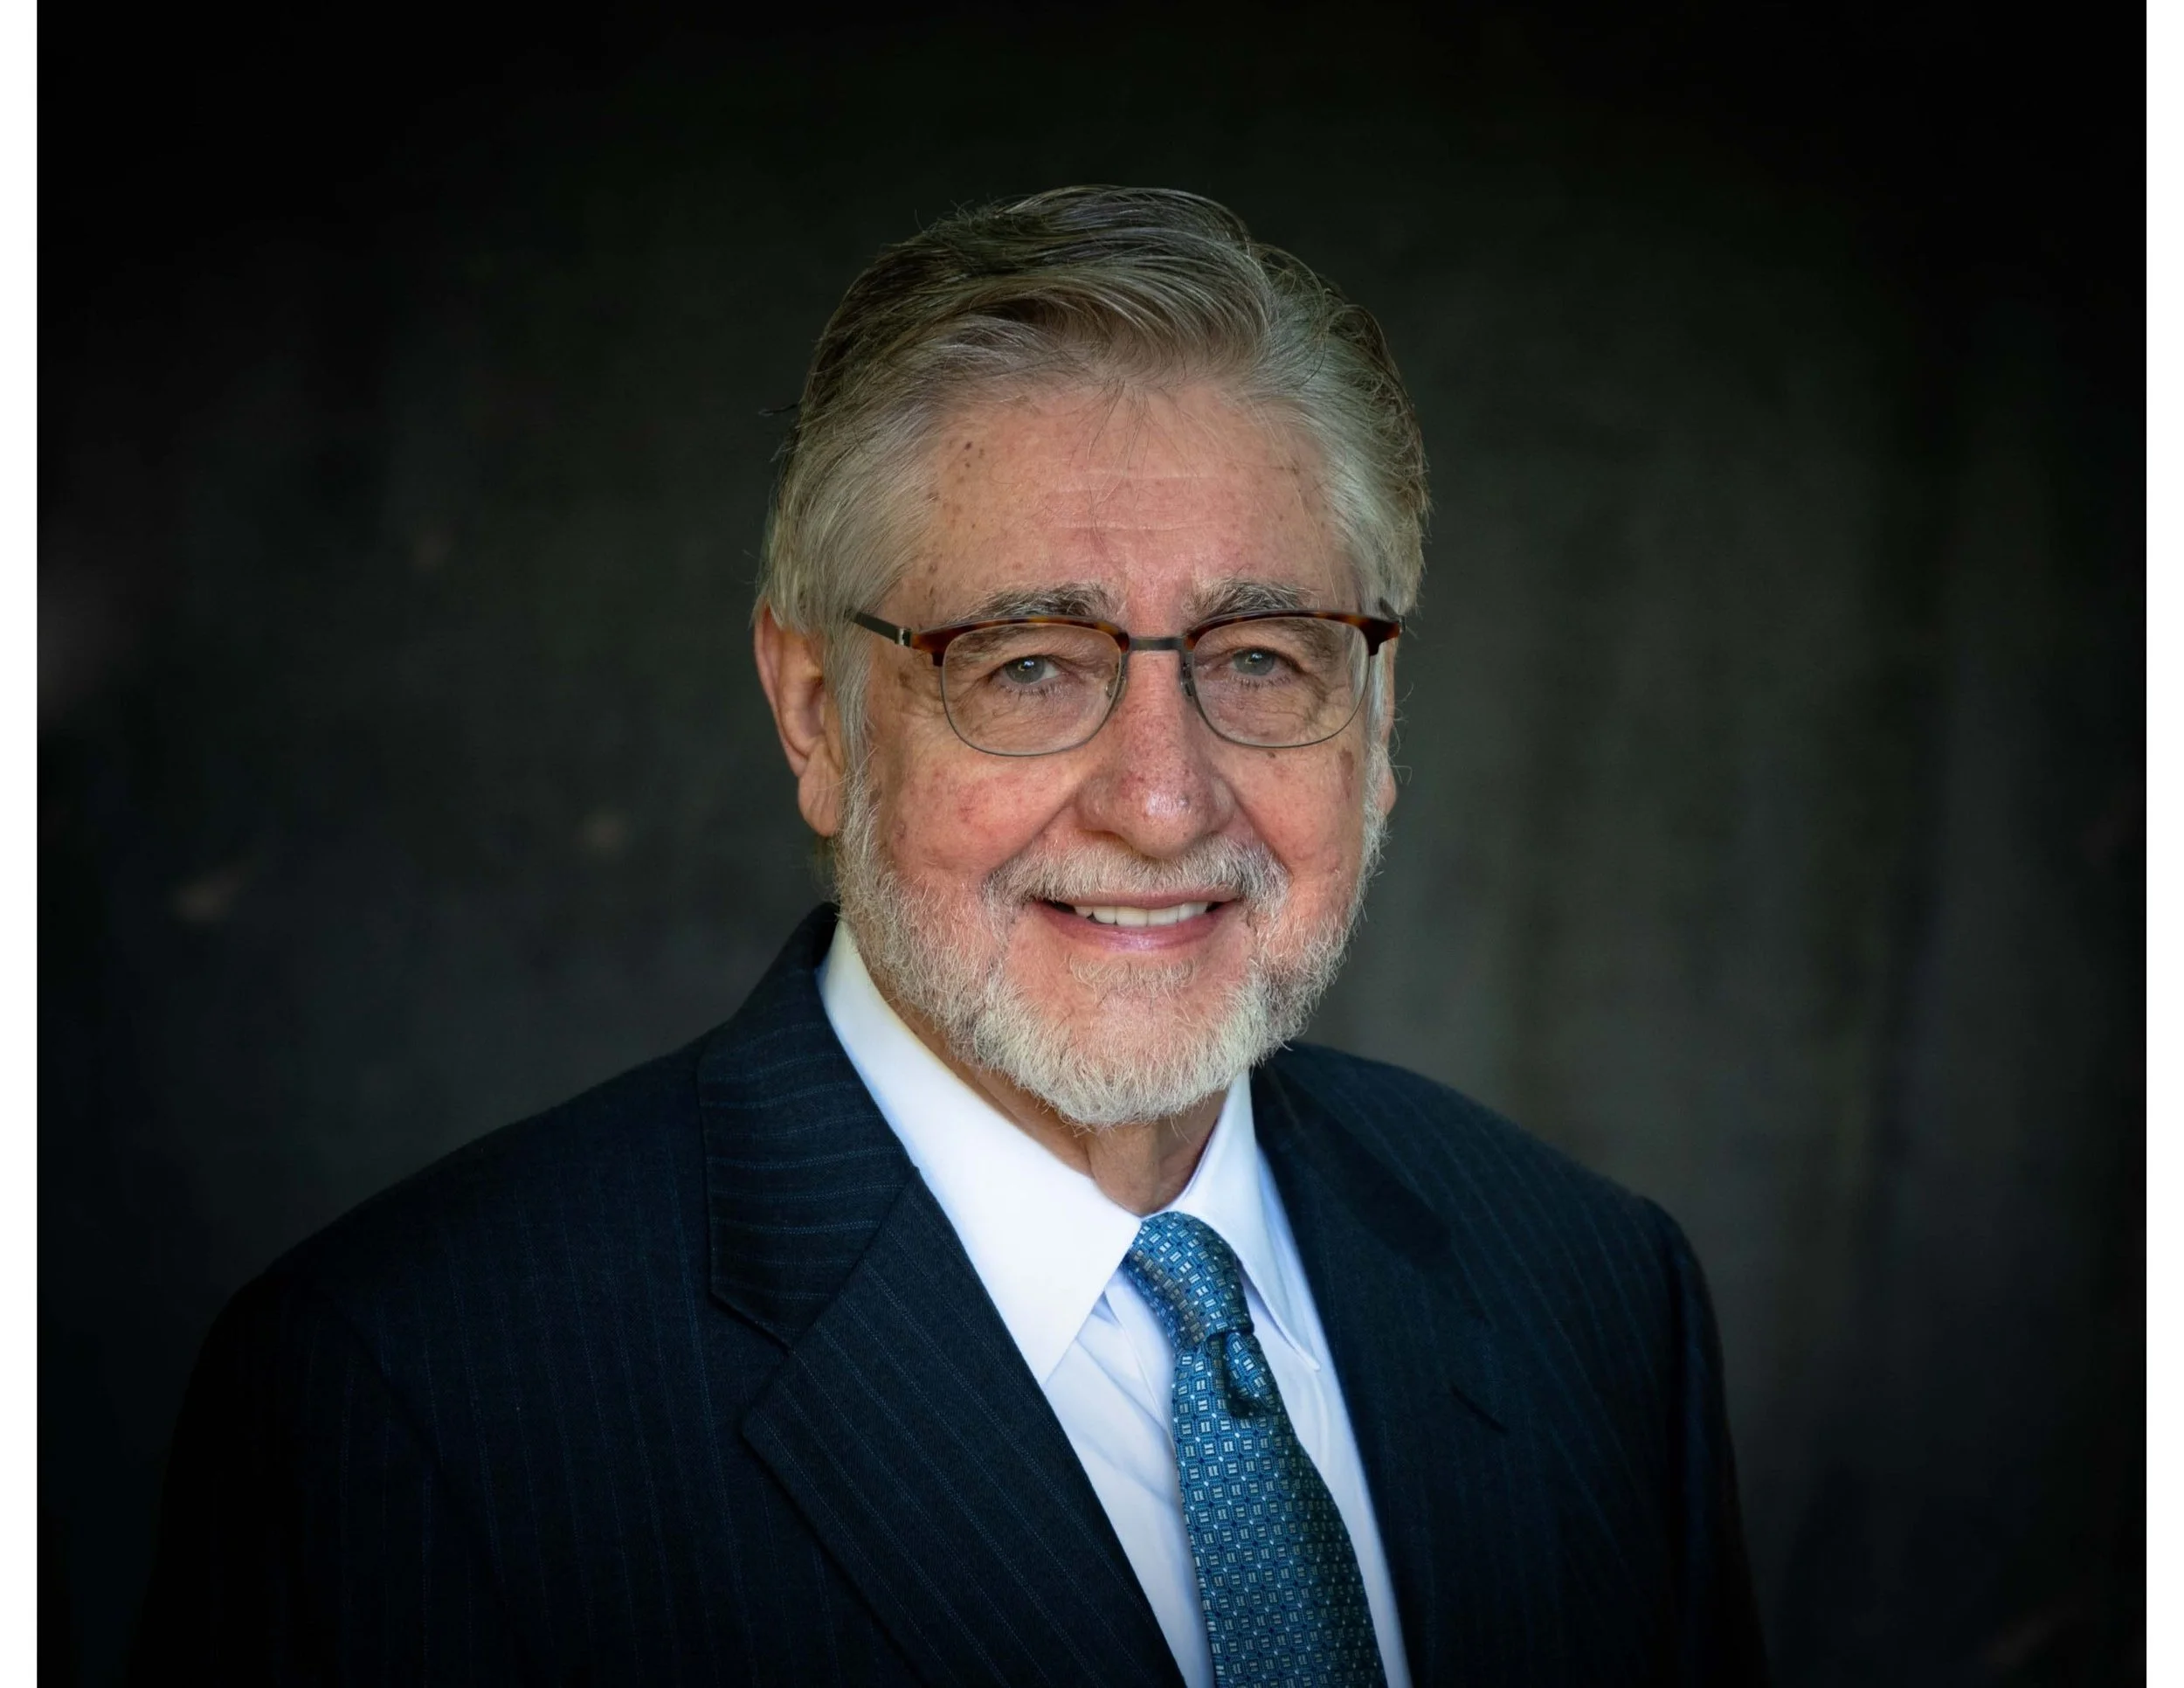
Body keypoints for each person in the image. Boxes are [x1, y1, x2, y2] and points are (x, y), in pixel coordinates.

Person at [132, 185, 1766, 1685]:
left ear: (1382, 714)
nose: (1161, 802)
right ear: (816, 718)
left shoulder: (1592, 1290)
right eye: (1029, 665)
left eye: (1264, 657)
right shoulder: (413, 1396)